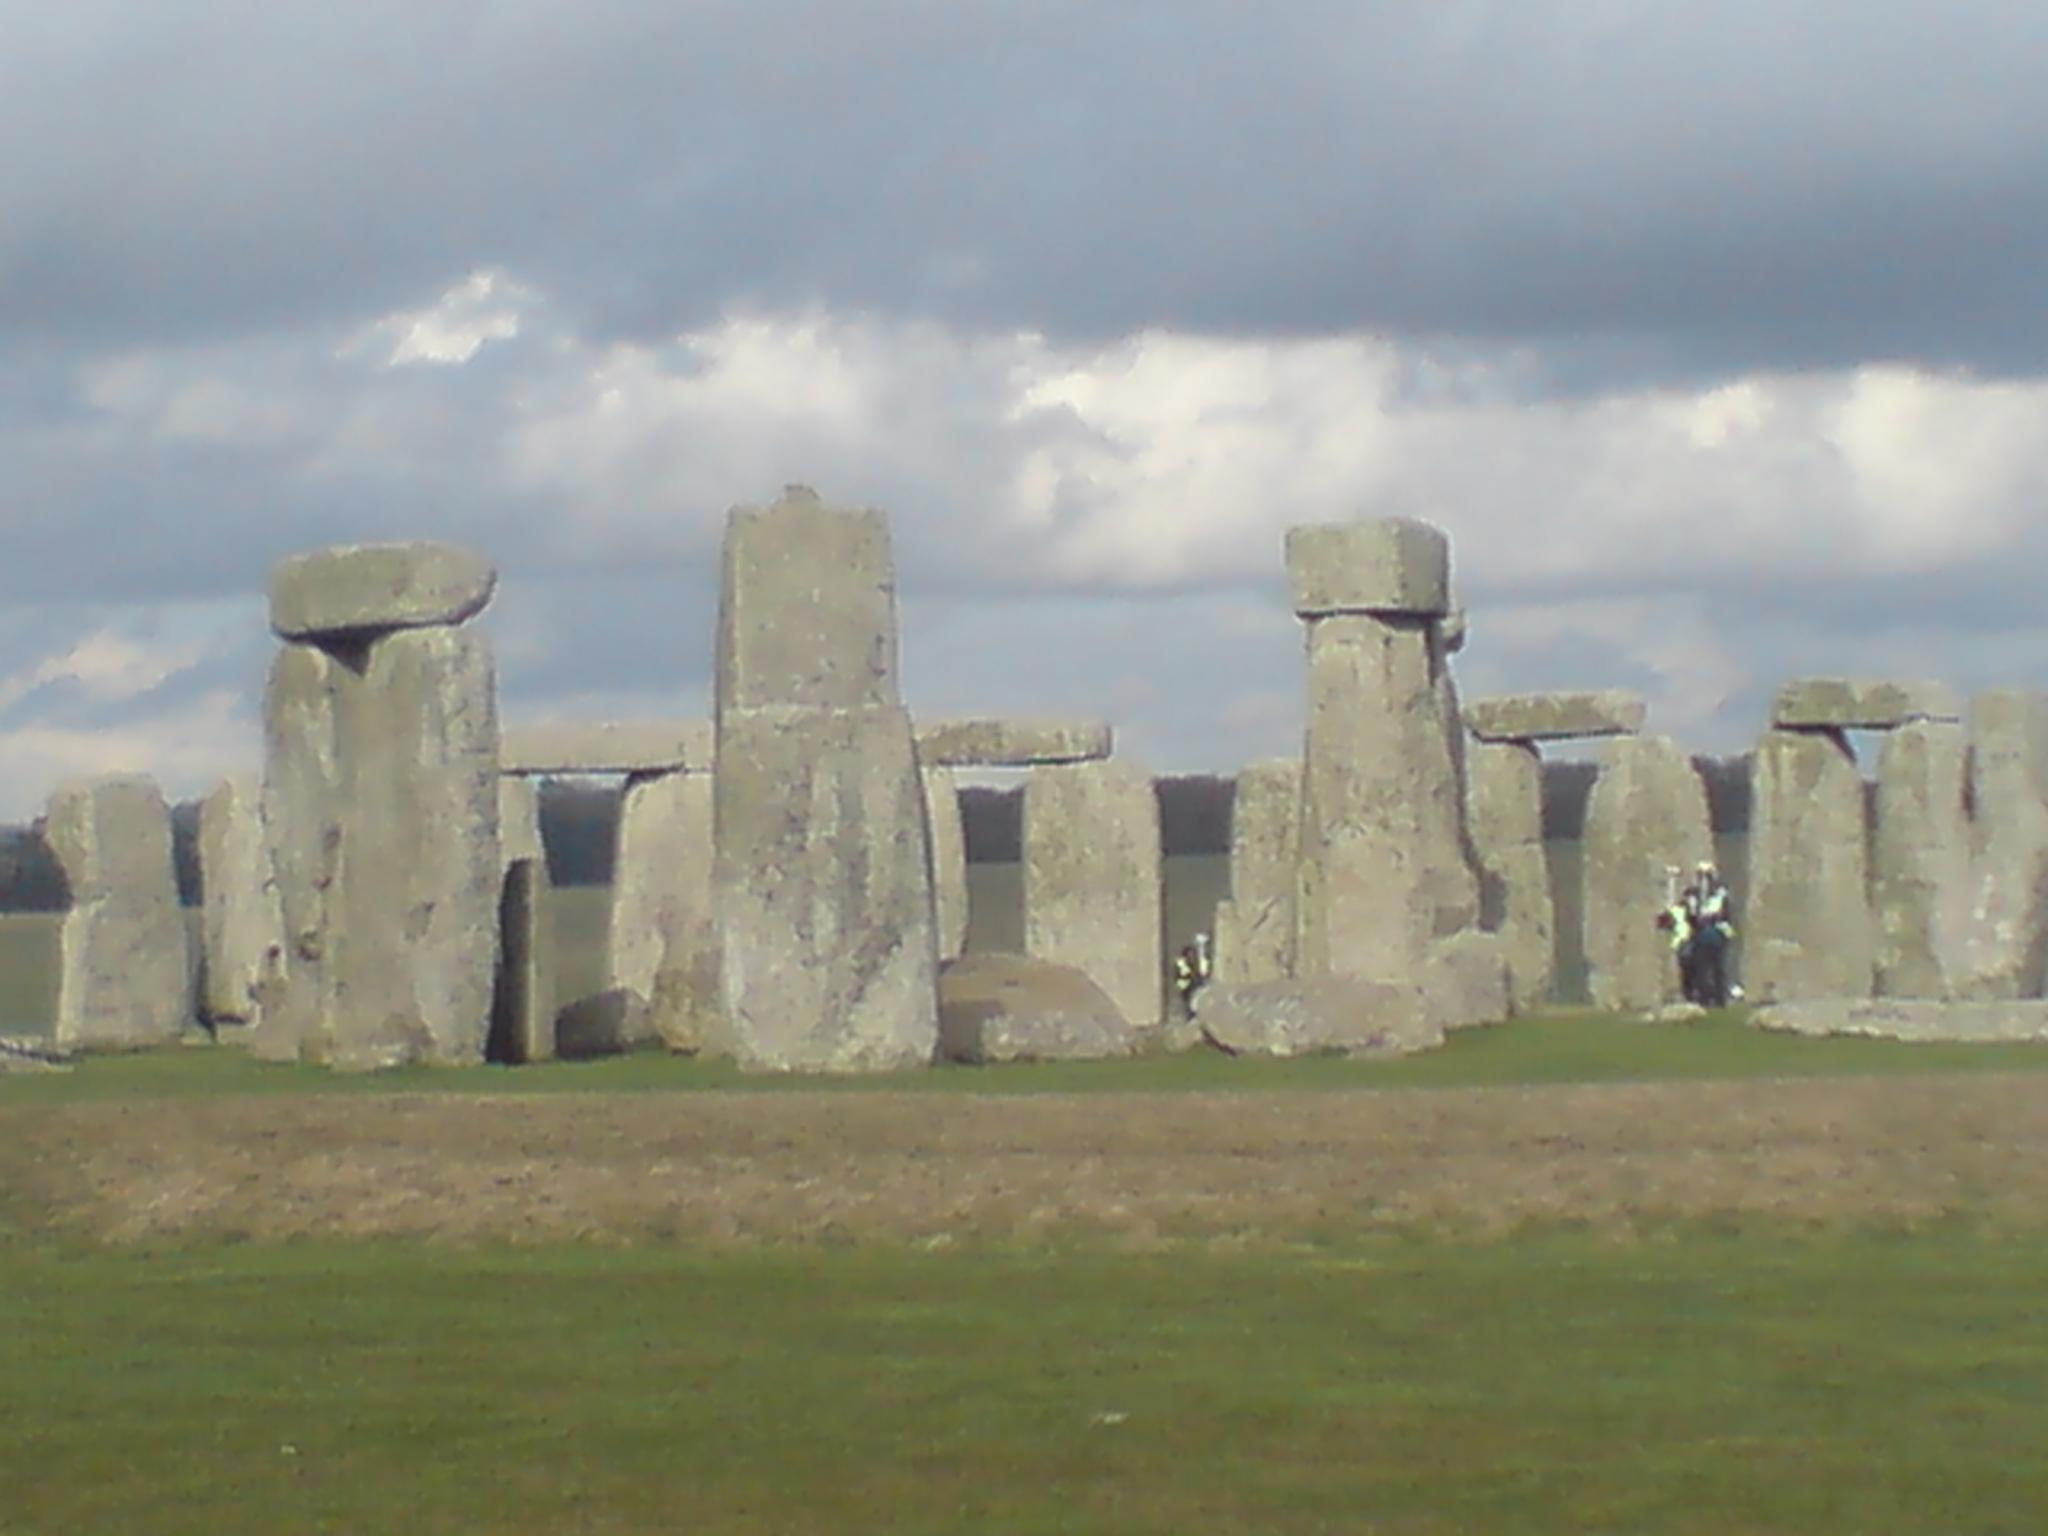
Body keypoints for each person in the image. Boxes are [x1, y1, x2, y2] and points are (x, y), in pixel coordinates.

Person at [1174, 932, 1213, 1014]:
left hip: (1194, 987)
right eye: (1190, 954)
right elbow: (1182, 978)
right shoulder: (1182, 964)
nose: (1192, 956)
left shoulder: (1197, 964)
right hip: (1188, 988)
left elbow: (1203, 972)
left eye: (1193, 954)